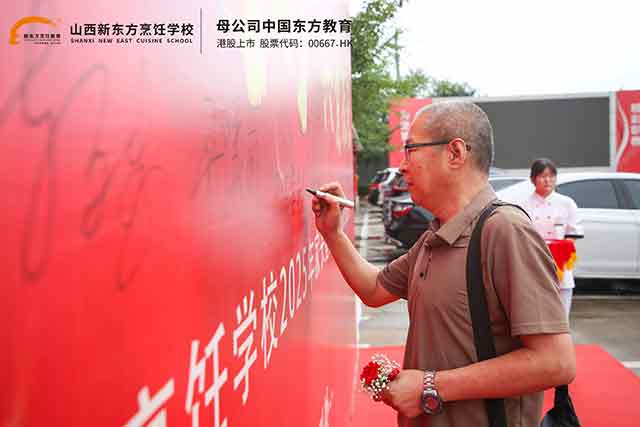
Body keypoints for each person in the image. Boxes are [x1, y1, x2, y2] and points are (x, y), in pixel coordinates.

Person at [311, 101, 576, 427]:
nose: (402, 167)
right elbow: (374, 289)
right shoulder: (436, 236)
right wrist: (333, 234)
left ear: (455, 153)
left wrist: (430, 385)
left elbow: (555, 362)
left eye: (411, 150)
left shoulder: (505, 231)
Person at [521, 158, 584, 316]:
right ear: (533, 179)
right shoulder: (524, 205)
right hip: (535, 261)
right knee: (537, 312)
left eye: (551, 176)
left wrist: (558, 251)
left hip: (560, 264)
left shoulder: (567, 203)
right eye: (543, 176)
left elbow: (573, 234)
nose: (547, 180)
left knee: (561, 314)